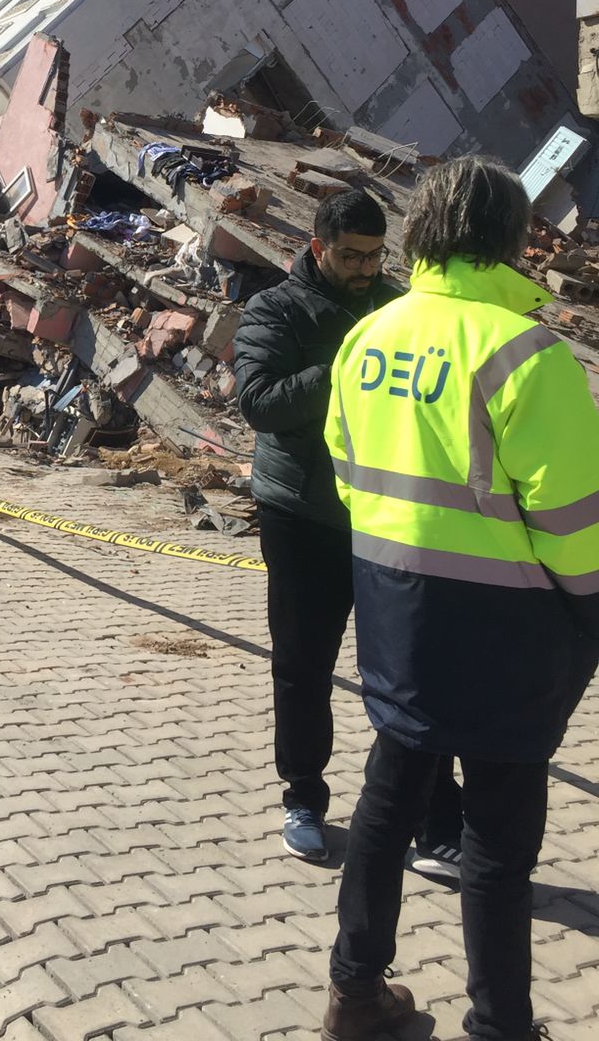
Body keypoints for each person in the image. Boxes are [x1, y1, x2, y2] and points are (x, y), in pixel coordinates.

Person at [320, 156, 599, 1041]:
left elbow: (345, 467)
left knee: (385, 806)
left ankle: (354, 996)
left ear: (422, 235)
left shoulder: (370, 337)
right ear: (511, 240)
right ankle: (500, 1026)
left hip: (399, 620)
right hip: (508, 636)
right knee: (497, 846)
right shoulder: (524, 350)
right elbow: (577, 523)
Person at [234, 189, 461, 868]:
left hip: (390, 514)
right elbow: (259, 404)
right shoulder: (274, 309)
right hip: (303, 516)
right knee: (304, 666)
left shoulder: (398, 306)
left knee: (414, 671)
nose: (366, 268)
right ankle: (304, 796)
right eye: (352, 256)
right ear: (317, 248)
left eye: (375, 255)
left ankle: (438, 813)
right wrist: (346, 371)